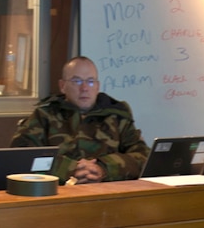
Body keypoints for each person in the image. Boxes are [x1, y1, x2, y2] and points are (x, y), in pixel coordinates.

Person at [11, 55, 148, 184]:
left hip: (109, 193)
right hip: (59, 195)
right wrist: (70, 169)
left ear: (97, 86)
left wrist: (103, 168)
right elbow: (21, 156)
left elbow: (144, 157)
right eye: (77, 81)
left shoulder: (117, 116)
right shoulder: (44, 115)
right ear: (62, 86)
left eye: (90, 81)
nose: (84, 88)